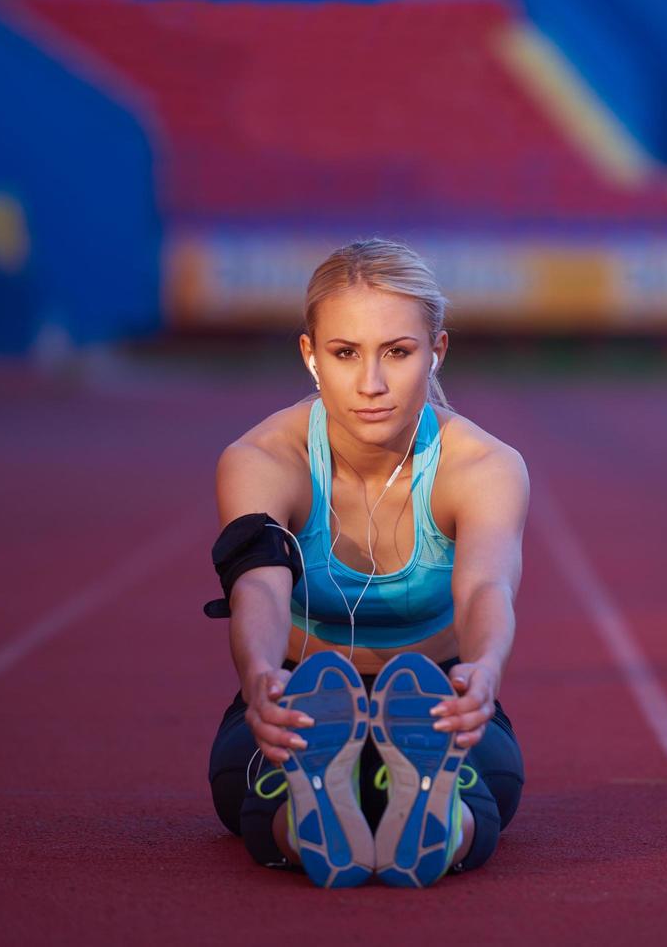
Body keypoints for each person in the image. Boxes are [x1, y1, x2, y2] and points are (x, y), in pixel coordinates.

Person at [205, 238, 528, 886]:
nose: (371, 383)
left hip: (437, 699)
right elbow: (260, 591)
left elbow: (485, 588)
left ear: (436, 351)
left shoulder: (483, 467)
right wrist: (261, 675)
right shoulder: (263, 461)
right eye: (345, 353)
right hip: (303, 692)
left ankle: (348, 824)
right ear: (311, 356)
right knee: (248, 773)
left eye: (398, 353)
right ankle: (384, 819)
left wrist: (485, 669)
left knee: (490, 776)